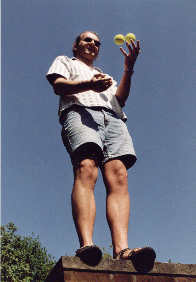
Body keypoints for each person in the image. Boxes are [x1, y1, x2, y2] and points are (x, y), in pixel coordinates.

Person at [46, 31, 156, 271]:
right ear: (76, 45)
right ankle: (87, 246)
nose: (93, 44)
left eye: (97, 43)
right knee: (87, 168)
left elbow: (120, 100)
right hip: (80, 110)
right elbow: (59, 86)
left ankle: (122, 250)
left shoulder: (105, 75)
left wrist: (128, 69)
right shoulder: (65, 61)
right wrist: (90, 85)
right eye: (87, 40)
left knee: (119, 175)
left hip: (113, 119)